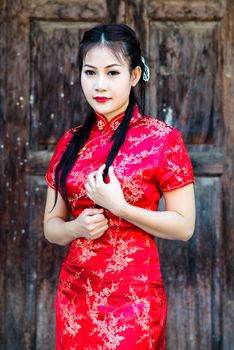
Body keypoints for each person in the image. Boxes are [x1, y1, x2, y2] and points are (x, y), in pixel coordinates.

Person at [43, 23, 196, 350]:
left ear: (135, 75)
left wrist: (121, 208)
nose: (100, 84)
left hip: (133, 301)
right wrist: (76, 228)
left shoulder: (162, 140)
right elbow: (51, 227)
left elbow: (184, 226)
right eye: (90, 72)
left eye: (113, 73)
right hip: (75, 297)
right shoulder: (70, 142)